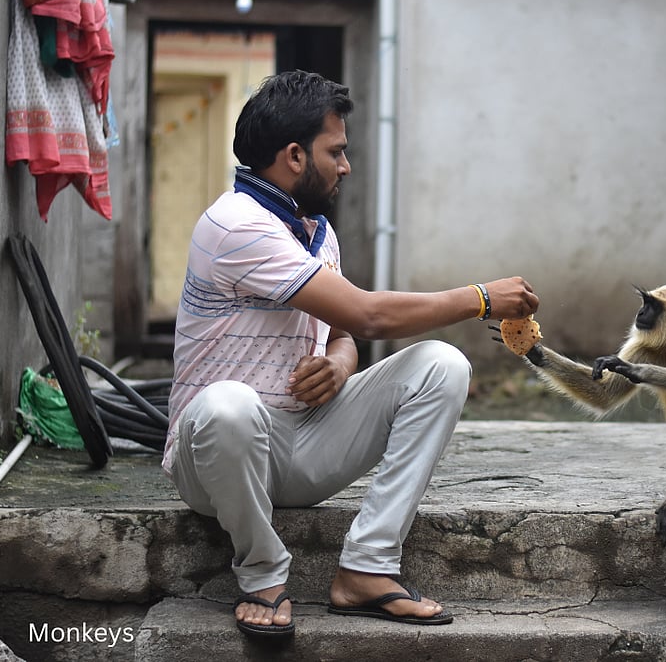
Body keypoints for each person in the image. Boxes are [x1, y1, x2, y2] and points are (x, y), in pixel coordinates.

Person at [163, 69, 539, 638]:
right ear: (293, 155)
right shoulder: (236, 225)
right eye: (335, 151)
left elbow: (344, 331)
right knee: (228, 407)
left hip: (301, 447)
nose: (346, 165)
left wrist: (340, 363)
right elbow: (368, 314)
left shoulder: (314, 231)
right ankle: (263, 572)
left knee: (441, 366)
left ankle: (368, 566)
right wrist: (481, 298)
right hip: (218, 461)